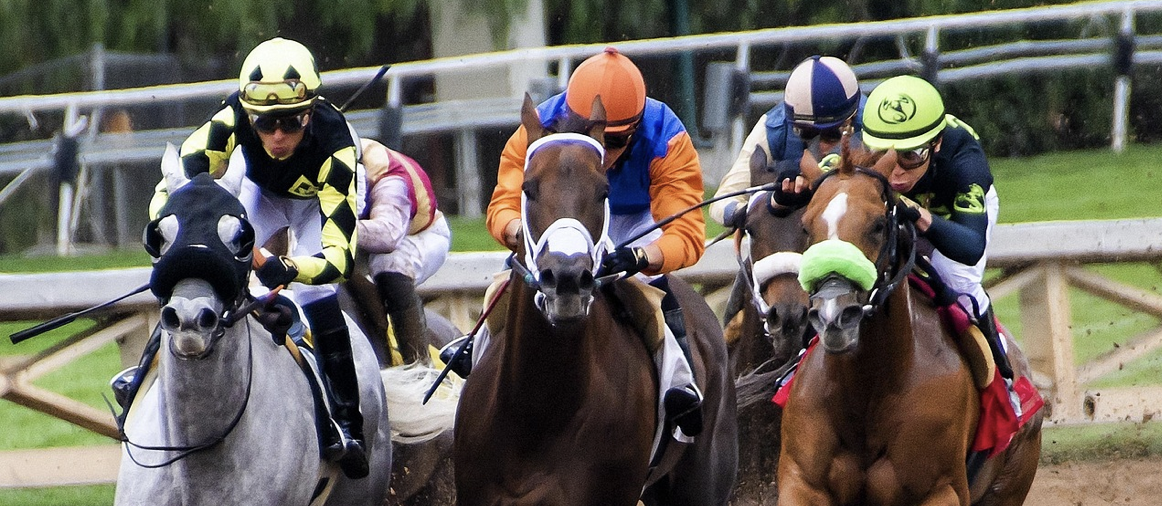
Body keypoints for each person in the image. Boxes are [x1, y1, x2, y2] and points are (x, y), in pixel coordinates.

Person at [145, 37, 368, 479]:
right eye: (264, 124)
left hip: (315, 205)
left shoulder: (338, 146)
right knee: (194, 269)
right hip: (261, 193)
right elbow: (171, 190)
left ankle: (349, 424)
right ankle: (142, 375)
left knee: (319, 293)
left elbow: (340, 259)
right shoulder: (230, 118)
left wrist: (285, 267)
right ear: (248, 114)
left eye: (290, 123)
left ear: (310, 113)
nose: (277, 136)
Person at [485, 47, 708, 437]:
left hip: (637, 218)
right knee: (506, 281)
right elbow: (503, 204)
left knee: (650, 285)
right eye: (596, 137)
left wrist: (643, 255)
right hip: (566, 215)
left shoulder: (666, 136)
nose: (604, 153)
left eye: (616, 141)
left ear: (637, 125)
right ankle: (474, 357)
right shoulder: (537, 129)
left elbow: (686, 231)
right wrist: (521, 234)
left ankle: (679, 379)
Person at [860, 75, 1018, 413]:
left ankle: (1004, 381)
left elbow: (970, 247)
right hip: (898, 210)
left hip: (952, 216)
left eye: (910, 156)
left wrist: (917, 214)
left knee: (959, 281)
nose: (895, 173)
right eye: (882, 155)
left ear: (936, 144)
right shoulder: (866, 149)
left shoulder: (965, 160)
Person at [708, 55, 866, 333]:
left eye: (832, 134)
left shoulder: (876, 122)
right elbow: (722, 202)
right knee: (735, 316)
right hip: (792, 243)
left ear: (852, 117)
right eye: (806, 133)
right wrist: (753, 211)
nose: (821, 146)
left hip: (856, 241)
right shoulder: (772, 126)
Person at [357, 138, 450, 366]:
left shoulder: (385, 172)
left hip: (416, 234)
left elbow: (388, 235)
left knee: (389, 266)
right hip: (358, 242)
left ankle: (419, 365)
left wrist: (331, 228)